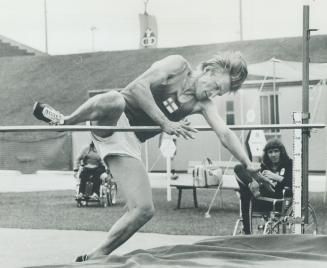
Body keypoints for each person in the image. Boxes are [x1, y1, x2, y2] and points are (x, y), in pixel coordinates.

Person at [32, 52, 260, 262]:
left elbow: (224, 132)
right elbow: (138, 87)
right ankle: (65, 121)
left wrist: (247, 162)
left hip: (128, 143)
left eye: (219, 93)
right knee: (115, 98)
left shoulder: (202, 104)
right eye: (217, 86)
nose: (214, 94)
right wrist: (165, 123)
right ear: (210, 70)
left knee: (143, 210)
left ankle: (94, 256)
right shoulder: (178, 65)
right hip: (113, 119)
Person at [234, 138, 293, 234]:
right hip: (260, 196)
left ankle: (247, 232)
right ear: (267, 154)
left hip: (277, 199)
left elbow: (292, 184)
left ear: (281, 152)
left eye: (276, 151)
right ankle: (251, 184)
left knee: (244, 194)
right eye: (270, 152)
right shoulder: (264, 165)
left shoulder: (289, 164)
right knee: (239, 167)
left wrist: (275, 177)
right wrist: (259, 178)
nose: (273, 155)